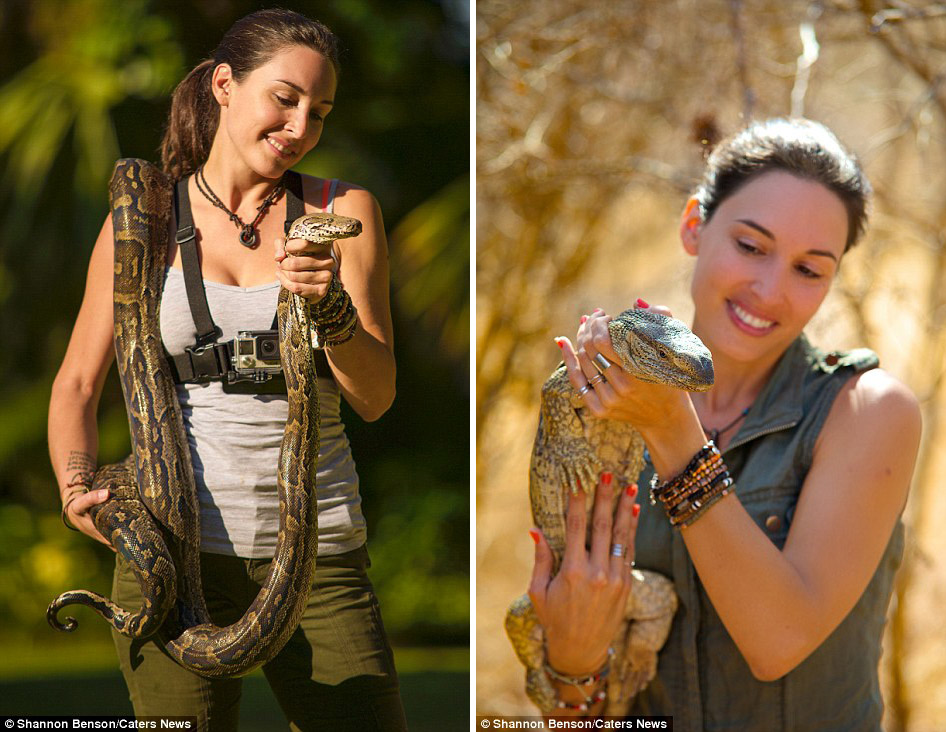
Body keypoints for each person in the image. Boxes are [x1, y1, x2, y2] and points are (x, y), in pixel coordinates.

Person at [47, 9, 407, 731]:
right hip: (171, 553)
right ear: (223, 85)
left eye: (320, 111)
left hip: (320, 556)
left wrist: (330, 306)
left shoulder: (340, 211)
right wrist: (77, 489)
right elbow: (79, 382)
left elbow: (375, 398)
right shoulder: (141, 217)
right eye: (286, 97)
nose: (301, 124)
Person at [527, 118, 921, 730]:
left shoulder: (869, 410)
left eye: (809, 270)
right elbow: (577, 712)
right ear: (694, 226)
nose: (768, 290)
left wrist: (672, 433)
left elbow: (779, 641)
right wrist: (574, 661)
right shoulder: (606, 410)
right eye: (751, 246)